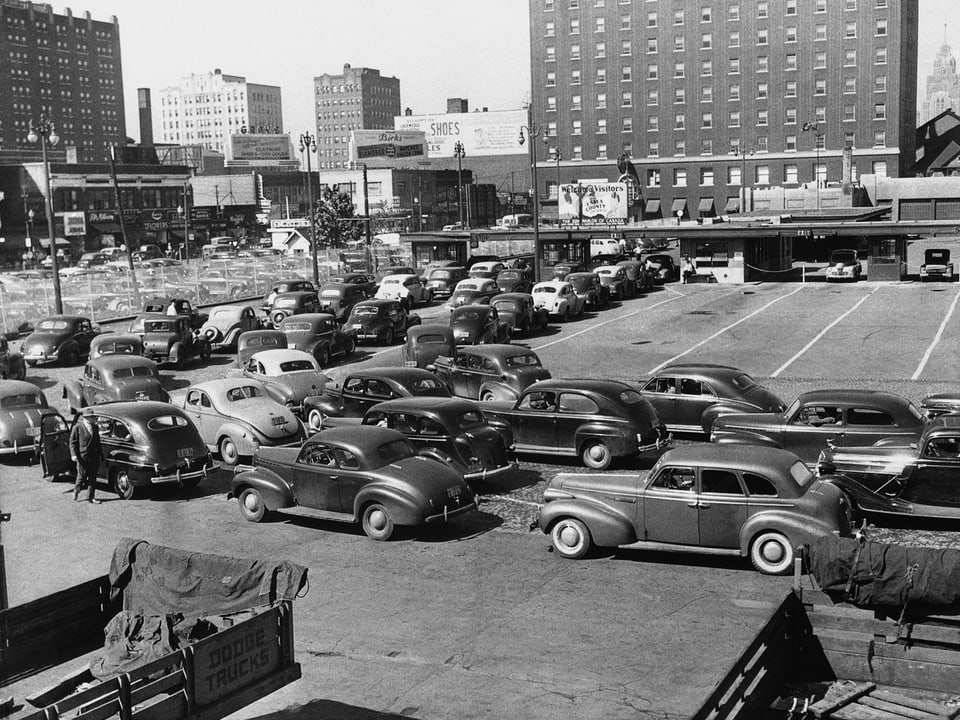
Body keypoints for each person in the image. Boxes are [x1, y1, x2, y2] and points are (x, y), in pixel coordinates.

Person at [70, 414, 102, 504]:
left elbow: (98, 441)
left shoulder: (95, 427)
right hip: (83, 456)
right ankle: (76, 489)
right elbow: (72, 442)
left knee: (93, 477)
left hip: (94, 456)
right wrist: (73, 455)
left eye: (94, 417)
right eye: (91, 417)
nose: (94, 418)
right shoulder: (78, 427)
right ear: (86, 418)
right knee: (81, 476)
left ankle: (91, 497)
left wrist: (100, 454)